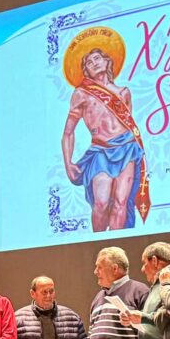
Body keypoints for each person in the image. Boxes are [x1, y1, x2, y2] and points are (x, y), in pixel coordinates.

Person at [62, 29, 150, 231]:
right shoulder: (81, 94)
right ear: (86, 71)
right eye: (88, 63)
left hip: (127, 149)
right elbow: (68, 132)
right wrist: (68, 163)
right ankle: (98, 242)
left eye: (97, 58)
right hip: (101, 151)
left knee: (121, 202)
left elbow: (128, 125)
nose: (94, 63)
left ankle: (117, 244)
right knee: (100, 204)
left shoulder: (124, 92)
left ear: (107, 61)